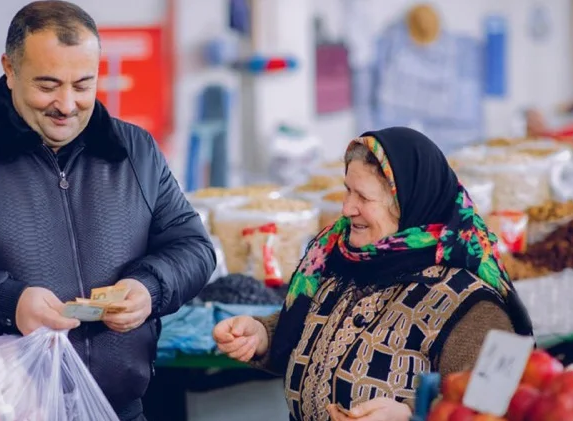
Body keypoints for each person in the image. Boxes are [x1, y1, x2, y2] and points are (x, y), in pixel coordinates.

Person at [0, 2, 215, 420]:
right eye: (48, 85)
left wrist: (150, 288)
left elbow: (192, 246)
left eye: (83, 84)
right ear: (10, 69)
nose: (67, 105)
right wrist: (8, 302)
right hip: (1, 412)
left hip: (119, 410)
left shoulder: (135, 151)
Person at [213, 127, 533, 421]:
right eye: (347, 191)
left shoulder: (472, 307)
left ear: (409, 205)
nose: (347, 208)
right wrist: (263, 335)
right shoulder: (340, 262)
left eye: (364, 197)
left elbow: (495, 408)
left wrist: (411, 416)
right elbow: (310, 327)